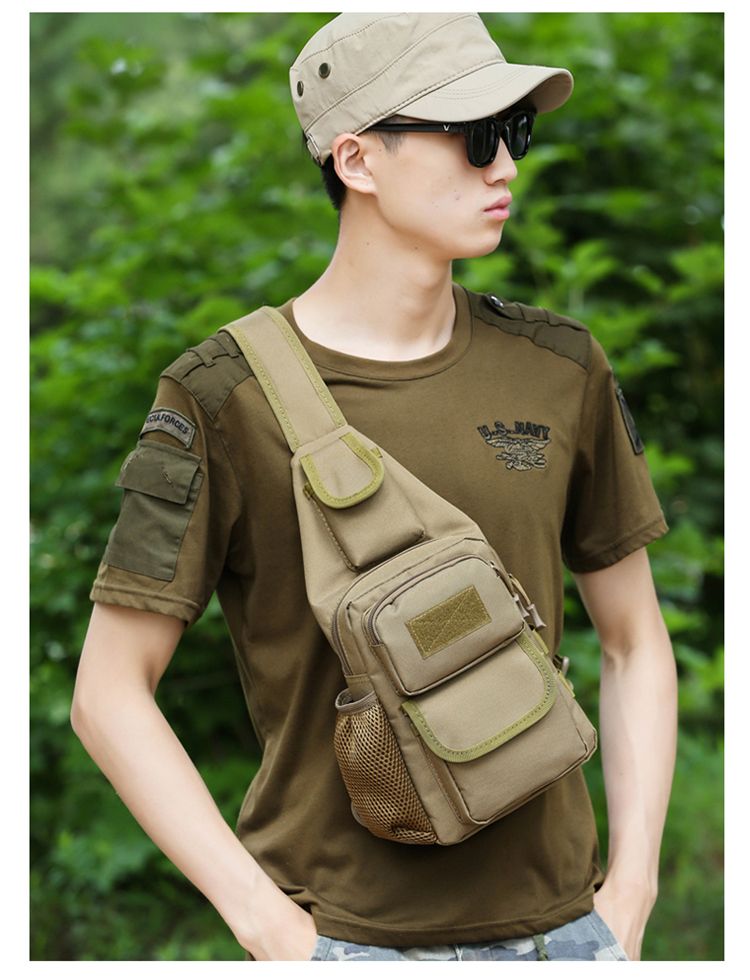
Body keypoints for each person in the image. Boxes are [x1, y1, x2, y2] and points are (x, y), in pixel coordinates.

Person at [70, 12, 678, 962]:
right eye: (475, 136)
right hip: (342, 940)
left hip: (568, 936)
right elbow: (108, 693)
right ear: (356, 159)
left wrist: (631, 893)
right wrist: (273, 930)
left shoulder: (559, 369)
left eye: (515, 132)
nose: (505, 167)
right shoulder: (223, 396)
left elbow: (635, 639)